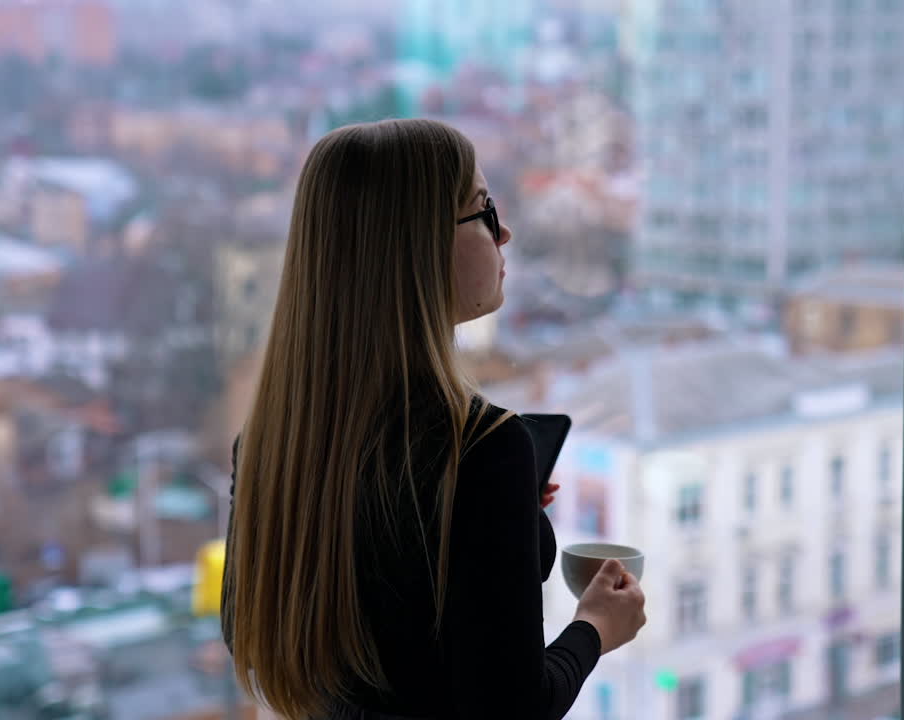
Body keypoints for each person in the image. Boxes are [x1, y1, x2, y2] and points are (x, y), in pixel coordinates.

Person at [220, 119, 646, 720]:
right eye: (482, 210)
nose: (505, 231)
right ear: (415, 245)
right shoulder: (482, 447)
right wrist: (596, 627)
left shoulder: (268, 443)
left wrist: (492, 521)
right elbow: (513, 708)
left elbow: (251, 634)